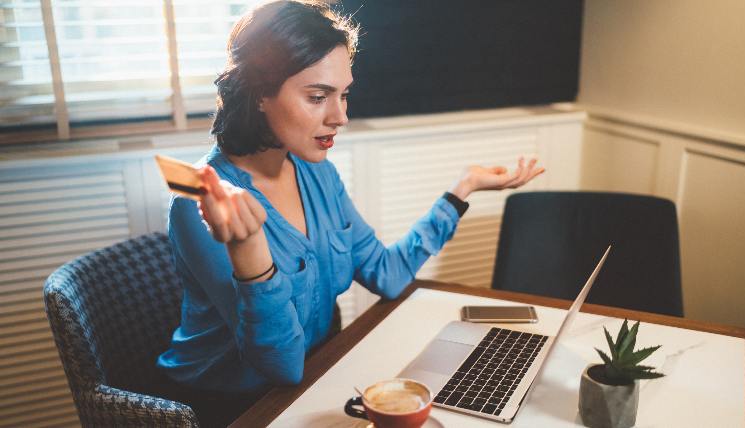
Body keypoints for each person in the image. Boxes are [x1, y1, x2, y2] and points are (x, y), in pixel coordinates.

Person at [156, 1, 544, 426]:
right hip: (230, 407)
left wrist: (460, 191)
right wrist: (250, 251)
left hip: (316, 378)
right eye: (318, 96)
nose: (340, 116)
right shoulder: (199, 206)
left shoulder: (316, 172)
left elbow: (386, 273)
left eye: (343, 95)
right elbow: (281, 365)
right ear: (260, 93)